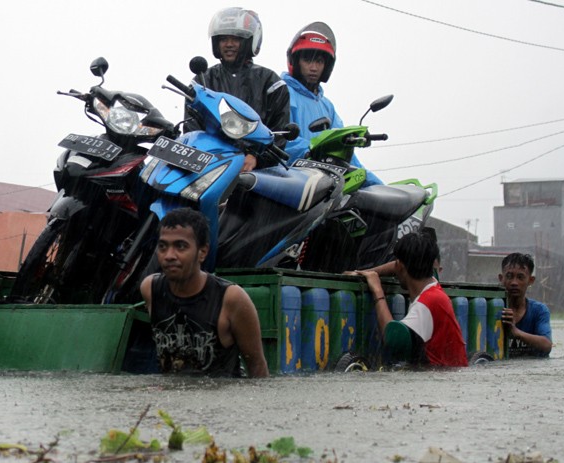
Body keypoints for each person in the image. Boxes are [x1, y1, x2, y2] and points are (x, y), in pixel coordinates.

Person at [140, 208, 269, 378]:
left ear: (202, 252)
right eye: (163, 247)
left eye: (181, 246)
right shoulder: (150, 289)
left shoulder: (231, 298)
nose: (169, 255)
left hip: (221, 392)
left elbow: (257, 367)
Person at [185, 7, 290, 172]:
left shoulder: (271, 82)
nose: (229, 44)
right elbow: (192, 128)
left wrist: (256, 156)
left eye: (236, 38)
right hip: (208, 167)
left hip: (256, 173)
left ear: (250, 41)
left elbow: (278, 131)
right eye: (223, 39)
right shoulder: (203, 80)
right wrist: (206, 156)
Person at [282, 21, 383, 187]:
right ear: (295, 61)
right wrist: (314, 153)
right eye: (307, 60)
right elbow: (279, 139)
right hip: (289, 182)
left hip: (323, 183)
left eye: (319, 61)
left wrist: (376, 185)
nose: (313, 67)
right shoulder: (282, 93)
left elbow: (343, 150)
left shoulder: (326, 107)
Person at [354, 231, 468, 367]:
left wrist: (378, 292)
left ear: (401, 266)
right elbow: (396, 266)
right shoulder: (433, 285)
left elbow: (394, 341)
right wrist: (368, 272)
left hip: (440, 375)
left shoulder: (428, 303)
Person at [498, 253, 552, 357]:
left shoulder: (539, 310)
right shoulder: (491, 310)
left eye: (520, 277)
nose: (514, 282)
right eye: (509, 276)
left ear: (530, 280)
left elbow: (546, 345)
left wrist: (515, 332)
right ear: (501, 278)